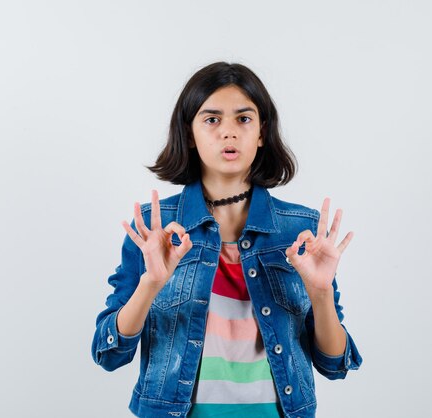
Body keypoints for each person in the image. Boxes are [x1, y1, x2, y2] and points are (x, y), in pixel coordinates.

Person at [91, 62, 362, 418]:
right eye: (212, 119)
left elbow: (334, 364)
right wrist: (151, 283)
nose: (229, 133)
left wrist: (322, 294)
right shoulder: (153, 230)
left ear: (262, 132)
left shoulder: (301, 232)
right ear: (189, 133)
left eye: (244, 119)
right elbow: (109, 353)